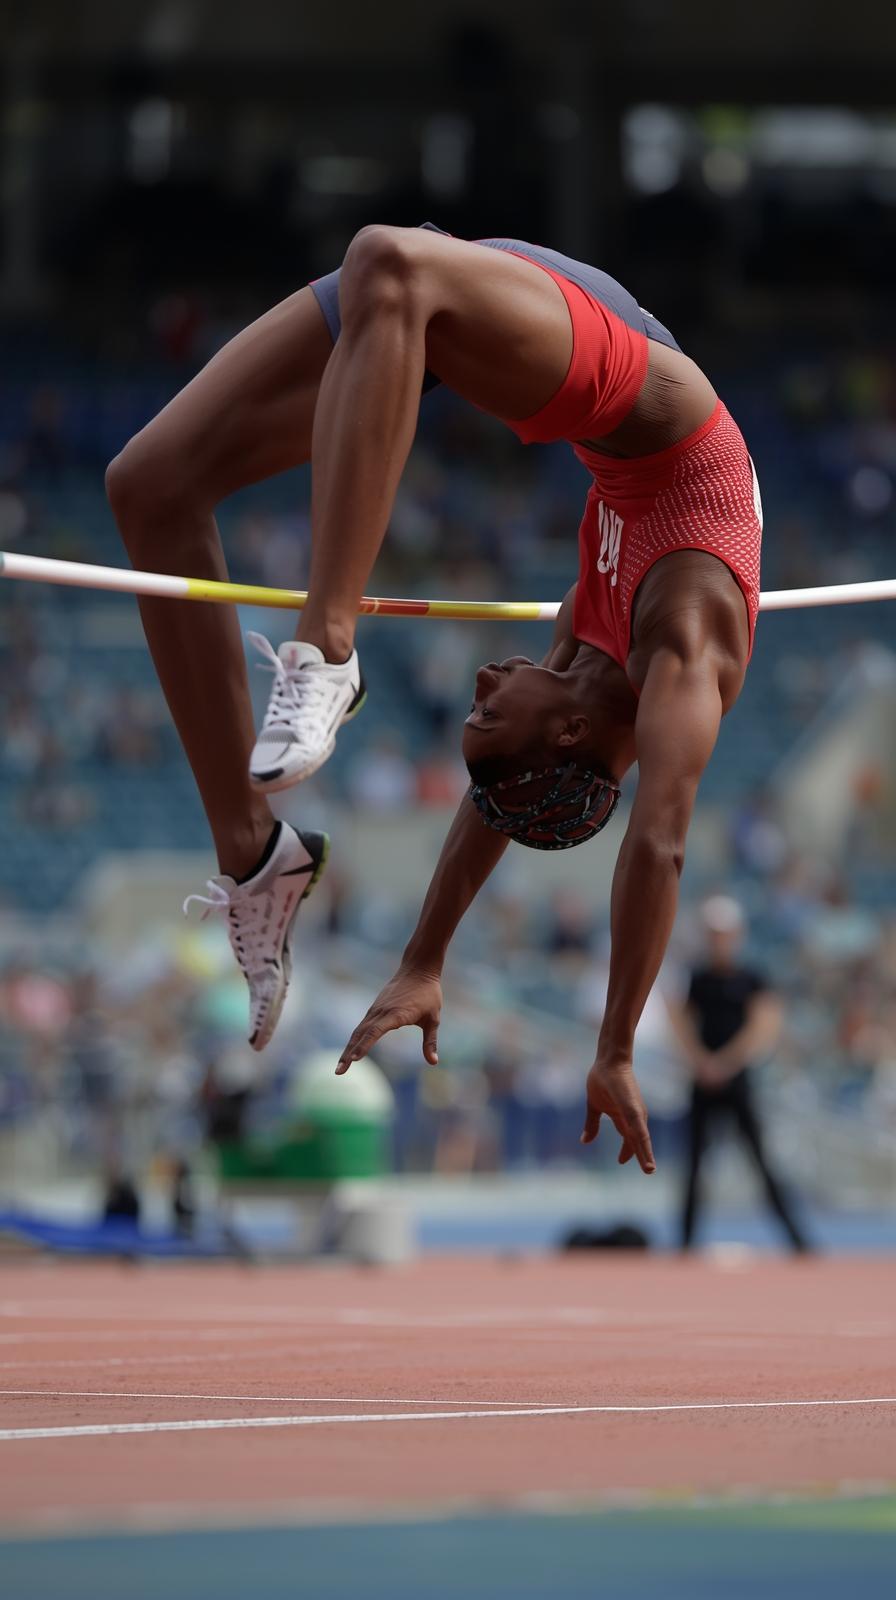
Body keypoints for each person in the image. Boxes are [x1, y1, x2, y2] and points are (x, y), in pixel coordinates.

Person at [107, 225, 763, 1158]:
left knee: (151, 484)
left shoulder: (581, 671)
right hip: (638, 388)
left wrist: (425, 958)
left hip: (505, 326)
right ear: (571, 728)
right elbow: (657, 841)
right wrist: (615, 1047)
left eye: (478, 709)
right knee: (394, 262)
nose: (486, 679)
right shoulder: (684, 645)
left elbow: (499, 800)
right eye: (492, 709)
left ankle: (255, 857)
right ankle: (331, 643)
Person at [669, 896, 809, 1251]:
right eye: (713, 933)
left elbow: (763, 1027)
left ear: (737, 934)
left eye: (724, 933)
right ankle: (685, 1244)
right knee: (694, 1166)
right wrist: (700, 1061)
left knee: (760, 1162)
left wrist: (724, 1063)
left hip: (737, 1081)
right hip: (702, 1080)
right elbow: (681, 1022)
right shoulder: (697, 979)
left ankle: (797, 1241)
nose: (719, 940)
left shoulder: (752, 979)